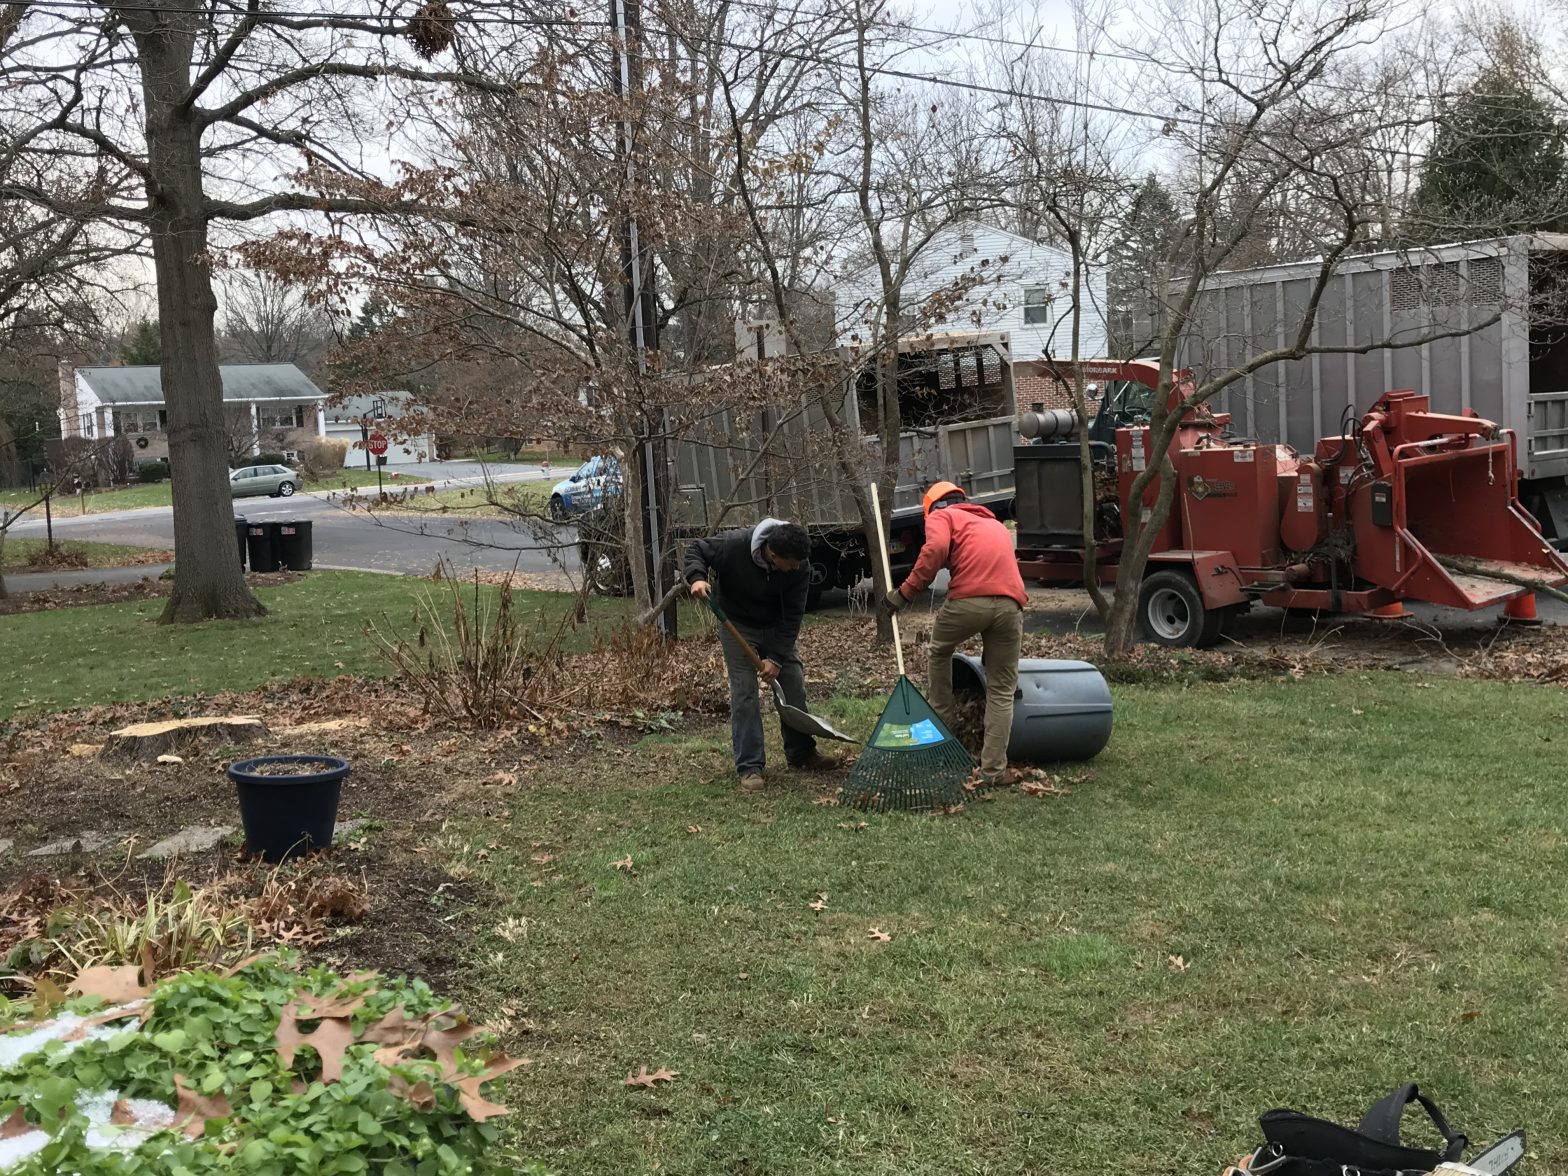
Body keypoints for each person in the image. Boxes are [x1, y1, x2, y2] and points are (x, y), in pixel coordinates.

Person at [884, 481, 1027, 786]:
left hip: (968, 601)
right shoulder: (993, 523)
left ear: (932, 508)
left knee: (939, 652)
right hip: (1011, 605)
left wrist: (904, 593)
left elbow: (935, 550)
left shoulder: (942, 516)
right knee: (1001, 690)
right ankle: (993, 771)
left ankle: (942, 737)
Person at [684, 519, 834, 790]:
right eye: (792, 563)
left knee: (793, 686)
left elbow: (793, 617)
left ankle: (801, 754)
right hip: (737, 625)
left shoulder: (799, 566)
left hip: (777, 627)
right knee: (744, 693)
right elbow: (696, 549)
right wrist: (696, 577)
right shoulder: (733, 546)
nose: (797, 568)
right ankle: (750, 766)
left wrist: (776, 659)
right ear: (773, 555)